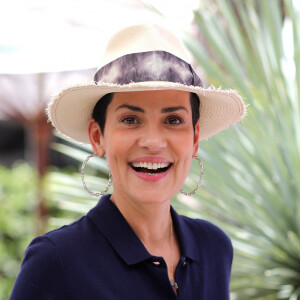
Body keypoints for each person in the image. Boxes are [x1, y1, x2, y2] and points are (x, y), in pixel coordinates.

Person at [10, 24, 246, 299]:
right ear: (98, 137)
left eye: (173, 120)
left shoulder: (214, 247)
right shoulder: (57, 260)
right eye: (130, 120)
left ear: (194, 139)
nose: (153, 141)